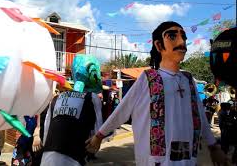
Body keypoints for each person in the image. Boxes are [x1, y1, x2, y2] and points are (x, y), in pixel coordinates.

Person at [85, 21, 229, 165]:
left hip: (188, 160)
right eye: (172, 37)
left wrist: (214, 148)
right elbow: (123, 110)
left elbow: (200, 117)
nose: (182, 42)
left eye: (183, 37)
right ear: (159, 45)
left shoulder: (188, 79)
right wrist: (99, 136)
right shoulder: (148, 77)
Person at [40, 55, 103, 166]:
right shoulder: (92, 98)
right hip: (73, 158)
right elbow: (98, 132)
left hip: (47, 157)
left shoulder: (56, 99)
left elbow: (46, 132)